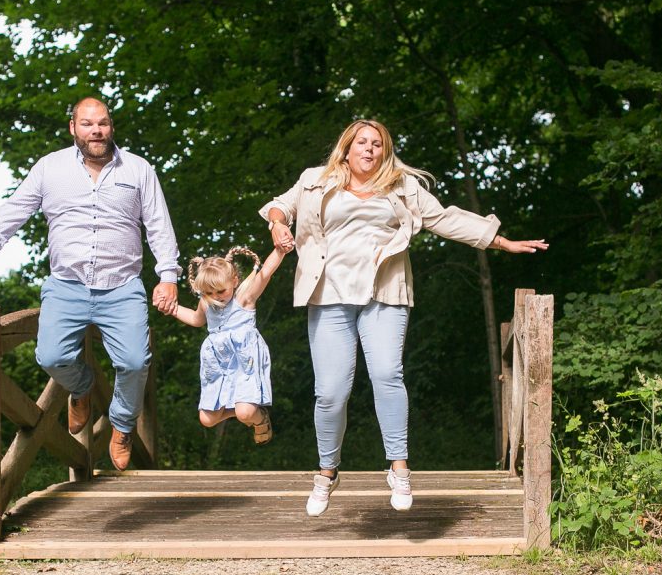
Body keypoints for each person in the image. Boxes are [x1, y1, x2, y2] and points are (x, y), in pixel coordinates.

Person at [259, 119, 548, 517]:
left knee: (387, 375)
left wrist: (500, 241)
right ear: (346, 147)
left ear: (385, 150)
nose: (369, 149)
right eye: (361, 142)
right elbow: (281, 205)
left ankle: (398, 467)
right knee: (330, 393)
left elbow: (447, 218)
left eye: (377, 144)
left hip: (385, 294)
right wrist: (277, 223)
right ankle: (327, 472)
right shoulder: (315, 180)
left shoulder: (403, 187)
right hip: (327, 296)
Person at [0, 97, 180, 471]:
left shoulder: (139, 170)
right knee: (50, 356)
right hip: (67, 285)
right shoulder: (50, 168)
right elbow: (17, 207)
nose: (96, 130)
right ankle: (80, 390)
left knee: (133, 361)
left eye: (103, 123)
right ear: (73, 128)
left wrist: (168, 276)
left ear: (111, 127)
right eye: (87, 124)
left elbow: (159, 225)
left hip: (122, 286)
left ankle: (123, 424)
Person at [162, 247, 286, 444]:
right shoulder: (206, 302)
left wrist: (280, 251)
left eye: (221, 291)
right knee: (207, 419)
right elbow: (196, 319)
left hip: (244, 361)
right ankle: (240, 409)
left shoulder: (243, 298)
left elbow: (265, 273)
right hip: (218, 364)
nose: (217, 296)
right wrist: (172, 309)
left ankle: (260, 416)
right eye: (209, 293)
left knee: (245, 413)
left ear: (234, 281)